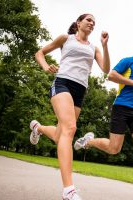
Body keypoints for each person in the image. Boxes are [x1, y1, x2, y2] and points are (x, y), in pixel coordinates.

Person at [31, 13, 110, 200]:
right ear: (78, 23)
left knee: (61, 136)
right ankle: (68, 190)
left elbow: (106, 69)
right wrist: (45, 67)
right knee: (70, 128)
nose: (92, 23)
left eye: (94, 22)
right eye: (88, 19)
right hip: (62, 83)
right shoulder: (66, 38)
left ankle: (38, 127)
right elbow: (39, 53)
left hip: (80, 91)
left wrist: (105, 46)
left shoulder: (94, 47)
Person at [74, 37, 133, 200]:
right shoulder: (128, 61)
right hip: (121, 108)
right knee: (114, 149)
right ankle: (87, 141)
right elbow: (111, 75)